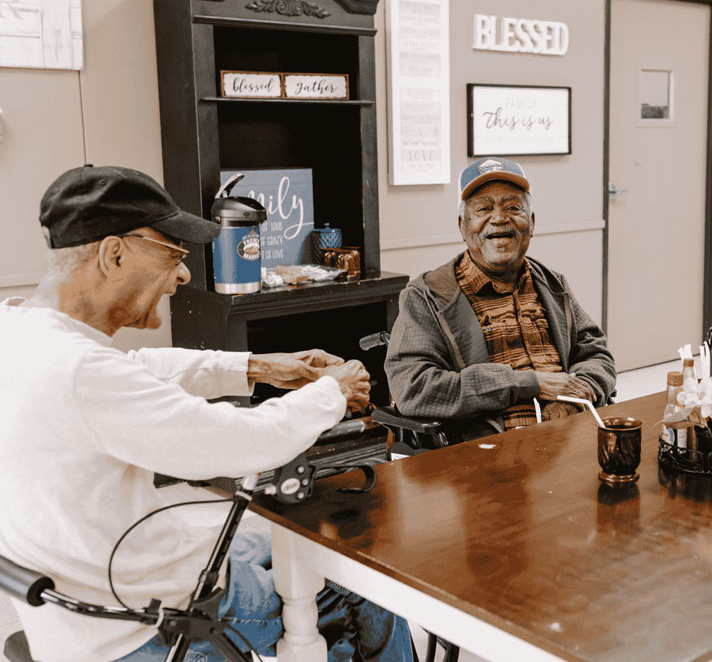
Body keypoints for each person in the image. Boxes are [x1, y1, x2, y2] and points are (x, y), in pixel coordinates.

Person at [0, 165, 413, 661]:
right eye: (172, 255)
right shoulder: (82, 371)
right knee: (361, 575)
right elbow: (244, 442)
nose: (183, 273)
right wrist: (331, 391)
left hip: (78, 611)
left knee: (278, 548)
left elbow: (139, 369)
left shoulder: (20, 332)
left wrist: (259, 367)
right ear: (114, 255)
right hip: (152, 623)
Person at [384, 157, 615, 441]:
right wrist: (528, 384)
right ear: (463, 226)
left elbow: (595, 352)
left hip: (570, 436)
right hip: (490, 451)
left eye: (513, 207)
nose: (499, 218)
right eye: (483, 209)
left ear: (531, 222)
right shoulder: (428, 295)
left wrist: (578, 393)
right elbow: (414, 388)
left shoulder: (553, 283)